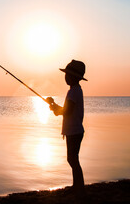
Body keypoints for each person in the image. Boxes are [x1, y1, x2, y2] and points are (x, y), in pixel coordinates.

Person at [46, 60, 87, 194]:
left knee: (72, 159)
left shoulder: (74, 92)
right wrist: (54, 106)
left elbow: (66, 112)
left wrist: (54, 107)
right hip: (74, 131)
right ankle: (77, 186)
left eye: (67, 74)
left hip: (74, 131)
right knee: (73, 159)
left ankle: (79, 187)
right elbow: (65, 111)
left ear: (74, 77)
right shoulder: (74, 91)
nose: (65, 77)